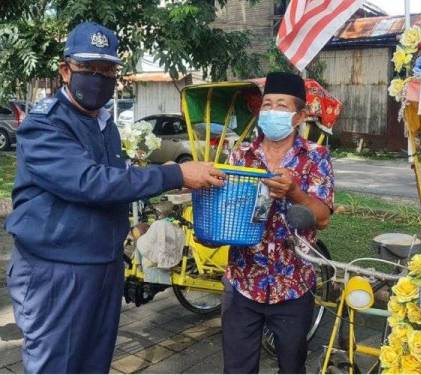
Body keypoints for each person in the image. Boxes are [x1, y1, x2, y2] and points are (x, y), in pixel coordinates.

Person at [4, 21, 225, 373]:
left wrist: (137, 224)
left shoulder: (102, 124)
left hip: (103, 266)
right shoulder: (45, 124)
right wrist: (175, 173)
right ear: (65, 70)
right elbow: (90, 182)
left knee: (95, 364)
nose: (98, 78)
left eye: (107, 70)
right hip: (56, 270)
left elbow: (115, 187)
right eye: (87, 69)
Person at [222, 72, 335, 373]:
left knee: (292, 366)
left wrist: (295, 191)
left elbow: (322, 218)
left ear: (298, 116)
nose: (272, 111)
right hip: (243, 281)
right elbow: (226, 208)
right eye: (267, 104)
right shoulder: (240, 156)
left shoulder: (316, 157)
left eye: (281, 106)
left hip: (293, 285)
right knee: (236, 368)